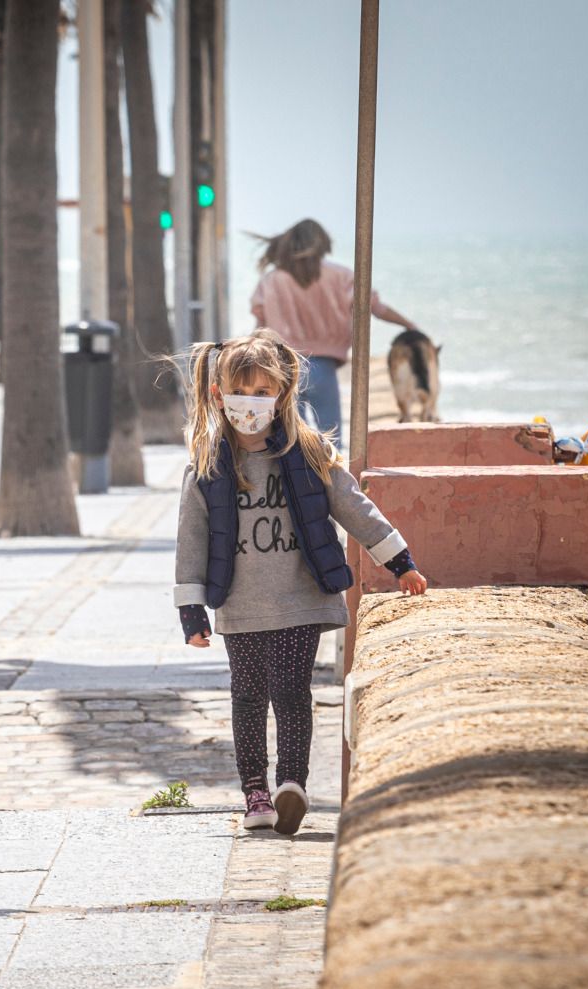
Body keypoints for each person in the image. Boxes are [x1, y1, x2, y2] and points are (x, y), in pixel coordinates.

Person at [174, 330, 427, 836]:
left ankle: (292, 784)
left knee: (291, 691)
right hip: (239, 604)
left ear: (282, 394)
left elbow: (356, 508)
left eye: (263, 392)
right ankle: (255, 794)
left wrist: (400, 561)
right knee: (247, 696)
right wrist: (191, 611)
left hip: (301, 600)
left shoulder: (308, 452)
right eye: (242, 391)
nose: (252, 403)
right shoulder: (207, 464)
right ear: (219, 394)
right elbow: (191, 540)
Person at [250, 219, 419, 443]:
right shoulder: (341, 276)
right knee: (331, 442)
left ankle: (298, 478)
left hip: (283, 368)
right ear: (323, 244)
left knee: (291, 441)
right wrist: (410, 326)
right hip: (324, 369)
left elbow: (260, 329)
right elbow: (377, 308)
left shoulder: (271, 280)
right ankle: (329, 479)